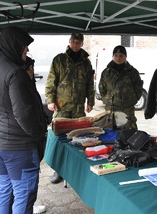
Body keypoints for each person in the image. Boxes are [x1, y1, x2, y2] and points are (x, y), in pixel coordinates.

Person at [0, 26, 47, 214]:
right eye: (24, 47)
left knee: (5, 190)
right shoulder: (15, 73)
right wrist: (39, 134)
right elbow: (24, 113)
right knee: (24, 195)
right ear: (16, 45)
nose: (27, 50)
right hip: (18, 148)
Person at [45, 32, 94, 184]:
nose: (76, 44)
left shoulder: (86, 62)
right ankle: (58, 170)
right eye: (73, 41)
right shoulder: (60, 59)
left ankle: (76, 169)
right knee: (59, 137)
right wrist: (50, 100)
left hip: (78, 107)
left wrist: (90, 101)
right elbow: (51, 81)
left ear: (81, 44)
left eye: (78, 42)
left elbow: (89, 84)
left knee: (78, 137)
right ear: (70, 42)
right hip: (62, 106)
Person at [99, 45, 143, 129]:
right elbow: (102, 89)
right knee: (111, 133)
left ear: (125, 57)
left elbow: (138, 89)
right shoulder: (106, 73)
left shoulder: (132, 73)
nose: (118, 58)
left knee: (128, 134)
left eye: (121, 56)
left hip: (126, 109)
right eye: (116, 55)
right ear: (113, 57)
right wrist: (107, 100)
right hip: (111, 109)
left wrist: (131, 100)